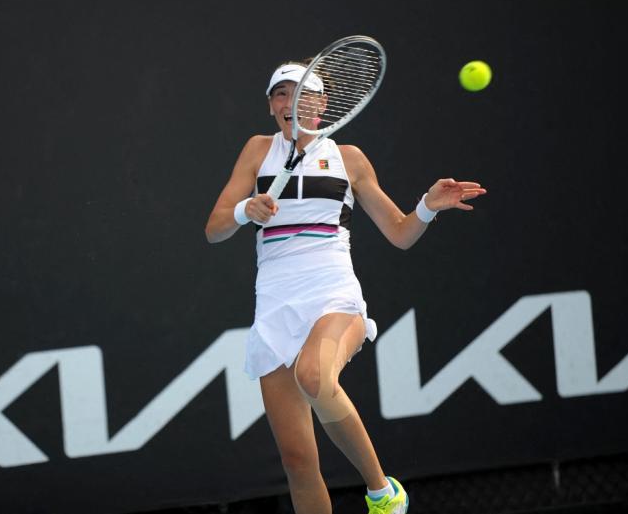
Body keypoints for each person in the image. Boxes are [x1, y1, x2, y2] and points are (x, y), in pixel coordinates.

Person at [204, 61, 486, 514]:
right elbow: (214, 229)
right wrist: (244, 212)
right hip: (274, 305)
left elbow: (399, 232)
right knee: (298, 461)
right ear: (272, 106)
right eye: (279, 95)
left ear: (322, 105)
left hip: (333, 294)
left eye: (299, 93)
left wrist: (427, 207)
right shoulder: (258, 151)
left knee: (314, 377)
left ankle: (382, 493)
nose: (288, 102)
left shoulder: (348, 158)